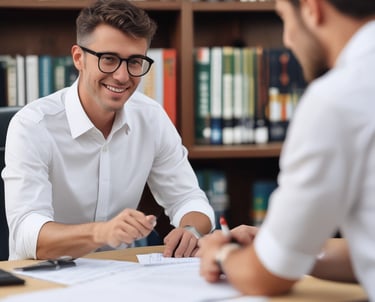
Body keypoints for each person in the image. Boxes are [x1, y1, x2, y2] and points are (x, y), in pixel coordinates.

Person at [2, 0, 215, 261]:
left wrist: (190, 229)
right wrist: (101, 233)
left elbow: (188, 198)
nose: (123, 76)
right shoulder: (32, 126)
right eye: (109, 59)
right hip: (43, 281)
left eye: (135, 62)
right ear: (79, 58)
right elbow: (26, 236)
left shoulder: (151, 118)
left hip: (121, 278)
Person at [198, 0, 375, 299]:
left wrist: (222, 253)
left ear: (311, 8)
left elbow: (263, 278)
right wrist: (281, 244)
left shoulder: (336, 99)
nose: (287, 39)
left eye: (283, 18)